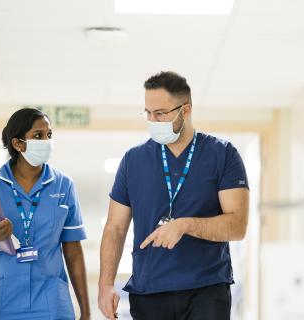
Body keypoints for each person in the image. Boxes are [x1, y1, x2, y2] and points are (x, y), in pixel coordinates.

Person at [98, 71, 249, 320]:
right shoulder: (133, 161)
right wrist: (105, 285)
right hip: (149, 292)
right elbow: (114, 227)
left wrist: (185, 225)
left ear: (185, 110)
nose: (153, 120)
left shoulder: (222, 155)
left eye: (160, 113)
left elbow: (237, 225)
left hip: (206, 290)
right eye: (148, 113)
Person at [0, 108, 90, 320]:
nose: (46, 141)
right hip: (0, 299)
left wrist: (86, 311)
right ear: (18, 143)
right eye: (38, 136)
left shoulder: (63, 185)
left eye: (49, 135)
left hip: (50, 299)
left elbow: (73, 251)